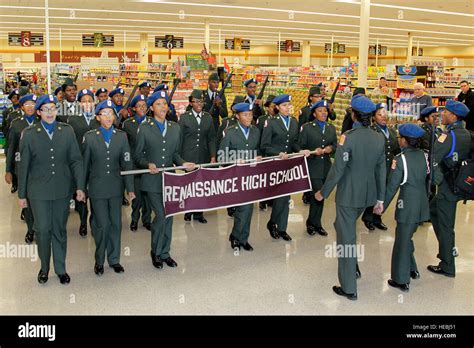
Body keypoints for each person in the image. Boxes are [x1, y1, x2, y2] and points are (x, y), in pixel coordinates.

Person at [315, 95, 386, 301]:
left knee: (346, 239)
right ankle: (353, 268)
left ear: (354, 115)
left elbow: (338, 169)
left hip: (348, 196)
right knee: (345, 229)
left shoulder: (348, 137)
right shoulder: (379, 137)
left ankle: (348, 287)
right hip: (368, 196)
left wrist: (323, 192)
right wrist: (380, 200)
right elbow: (381, 171)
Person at [18, 94, 85, 284]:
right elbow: (24, 167)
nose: (50, 113)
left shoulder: (67, 131)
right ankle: (44, 268)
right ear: (39, 112)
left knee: (59, 230)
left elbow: (76, 160)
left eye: (53, 108)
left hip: (62, 190)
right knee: (43, 229)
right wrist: (22, 195)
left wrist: (80, 186)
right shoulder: (29, 134)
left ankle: (61, 269)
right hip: (38, 191)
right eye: (45, 109)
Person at [134, 91, 195, 270]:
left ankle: (165, 252)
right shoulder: (145, 128)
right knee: (160, 215)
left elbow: (175, 154)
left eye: (165, 104)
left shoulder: (175, 128)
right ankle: (156, 251)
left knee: (169, 216)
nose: (163, 107)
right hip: (152, 180)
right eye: (159, 104)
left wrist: (184, 164)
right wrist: (148, 163)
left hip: (170, 180)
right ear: (151, 107)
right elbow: (138, 155)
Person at [82, 100, 135, 276]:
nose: (108, 117)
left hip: (115, 187)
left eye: (111, 114)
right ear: (98, 117)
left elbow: (126, 163)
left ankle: (114, 259)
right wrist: (81, 188)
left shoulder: (121, 136)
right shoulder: (90, 137)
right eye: (104, 114)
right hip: (97, 188)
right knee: (102, 225)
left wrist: (130, 188)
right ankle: (99, 260)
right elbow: (84, 165)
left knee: (116, 224)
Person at [383, 123, 429, 292]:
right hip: (421, 205)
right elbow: (434, 178)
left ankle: (401, 279)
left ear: (404, 141)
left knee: (401, 242)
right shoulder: (424, 156)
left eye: (400, 138)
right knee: (407, 236)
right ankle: (412, 268)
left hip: (407, 206)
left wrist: (381, 207)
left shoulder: (400, 159)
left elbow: (392, 187)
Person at [428, 100, 471, 278]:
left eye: (445, 111)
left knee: (446, 226)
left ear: (453, 116)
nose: (442, 114)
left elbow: (434, 158)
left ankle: (448, 265)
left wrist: (436, 181)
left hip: (447, 187)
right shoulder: (467, 134)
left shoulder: (448, 136)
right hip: (460, 184)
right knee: (433, 210)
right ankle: (446, 252)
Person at [219, 102, 261, 251]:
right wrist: (234, 160)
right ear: (237, 116)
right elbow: (221, 156)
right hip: (236, 175)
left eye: (250, 114)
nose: (249, 117)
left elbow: (257, 149)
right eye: (245, 115)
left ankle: (243, 237)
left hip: (251, 175)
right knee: (242, 208)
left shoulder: (255, 131)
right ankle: (236, 237)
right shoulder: (230, 132)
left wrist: (258, 157)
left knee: (249, 208)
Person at [261, 94, 300, 242]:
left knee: (286, 197)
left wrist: (300, 150)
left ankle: (282, 228)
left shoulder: (294, 122)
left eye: (289, 104)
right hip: (276, 164)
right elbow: (265, 146)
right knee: (279, 197)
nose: (287, 107)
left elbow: (294, 142)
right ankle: (272, 223)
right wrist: (278, 153)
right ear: (277, 107)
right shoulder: (271, 122)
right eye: (284, 105)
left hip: (289, 164)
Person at [298, 100, 337, 237]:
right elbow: (299, 146)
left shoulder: (331, 128)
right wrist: (310, 151)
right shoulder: (307, 127)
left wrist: (329, 148)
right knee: (318, 195)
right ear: (314, 113)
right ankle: (312, 223)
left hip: (326, 167)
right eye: (320, 111)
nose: (324, 113)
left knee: (322, 196)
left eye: (325, 111)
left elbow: (334, 145)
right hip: (312, 166)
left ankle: (315, 223)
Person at [5, 94, 39, 243]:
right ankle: (30, 229)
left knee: (38, 200)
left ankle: (40, 227)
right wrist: (8, 170)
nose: (30, 107)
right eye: (27, 104)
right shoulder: (17, 124)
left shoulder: (43, 121)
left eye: (33, 104)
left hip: (40, 168)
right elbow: (11, 148)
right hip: (22, 168)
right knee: (26, 199)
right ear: (22, 107)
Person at [178, 89, 217, 224]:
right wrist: (179, 159)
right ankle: (188, 211)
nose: (199, 104)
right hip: (188, 156)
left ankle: (199, 212)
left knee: (200, 185)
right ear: (191, 103)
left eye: (201, 101)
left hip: (203, 155)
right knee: (189, 184)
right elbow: (180, 138)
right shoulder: (184, 118)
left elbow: (211, 138)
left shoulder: (208, 117)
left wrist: (213, 155)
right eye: (196, 102)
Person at [68, 89, 100, 237]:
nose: (87, 103)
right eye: (84, 101)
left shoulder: (99, 119)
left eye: (90, 100)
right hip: (79, 163)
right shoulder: (73, 120)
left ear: (94, 102)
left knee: (94, 193)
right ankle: (82, 221)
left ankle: (94, 220)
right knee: (80, 192)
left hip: (95, 163)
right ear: (79, 103)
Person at [362, 103, 400, 231]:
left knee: (383, 194)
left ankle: (377, 217)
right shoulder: (371, 131)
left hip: (389, 168)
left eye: (385, 114)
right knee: (374, 193)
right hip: (375, 168)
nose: (383, 117)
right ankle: (367, 217)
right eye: (380, 114)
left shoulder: (392, 131)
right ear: (374, 117)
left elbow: (396, 149)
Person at [121, 94, 152, 232]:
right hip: (135, 165)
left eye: (144, 105)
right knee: (137, 196)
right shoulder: (128, 124)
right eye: (139, 105)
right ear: (133, 108)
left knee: (148, 196)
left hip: (149, 164)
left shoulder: (152, 122)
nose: (142, 108)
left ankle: (147, 220)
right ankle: (134, 219)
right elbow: (125, 145)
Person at [256, 94, 276, 211]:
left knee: (273, 178)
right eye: (272, 106)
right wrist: (259, 153)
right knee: (264, 179)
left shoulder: (279, 120)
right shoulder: (262, 120)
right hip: (264, 153)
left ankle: (272, 199)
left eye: (275, 106)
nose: (274, 108)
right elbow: (257, 138)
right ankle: (263, 201)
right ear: (267, 107)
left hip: (275, 153)